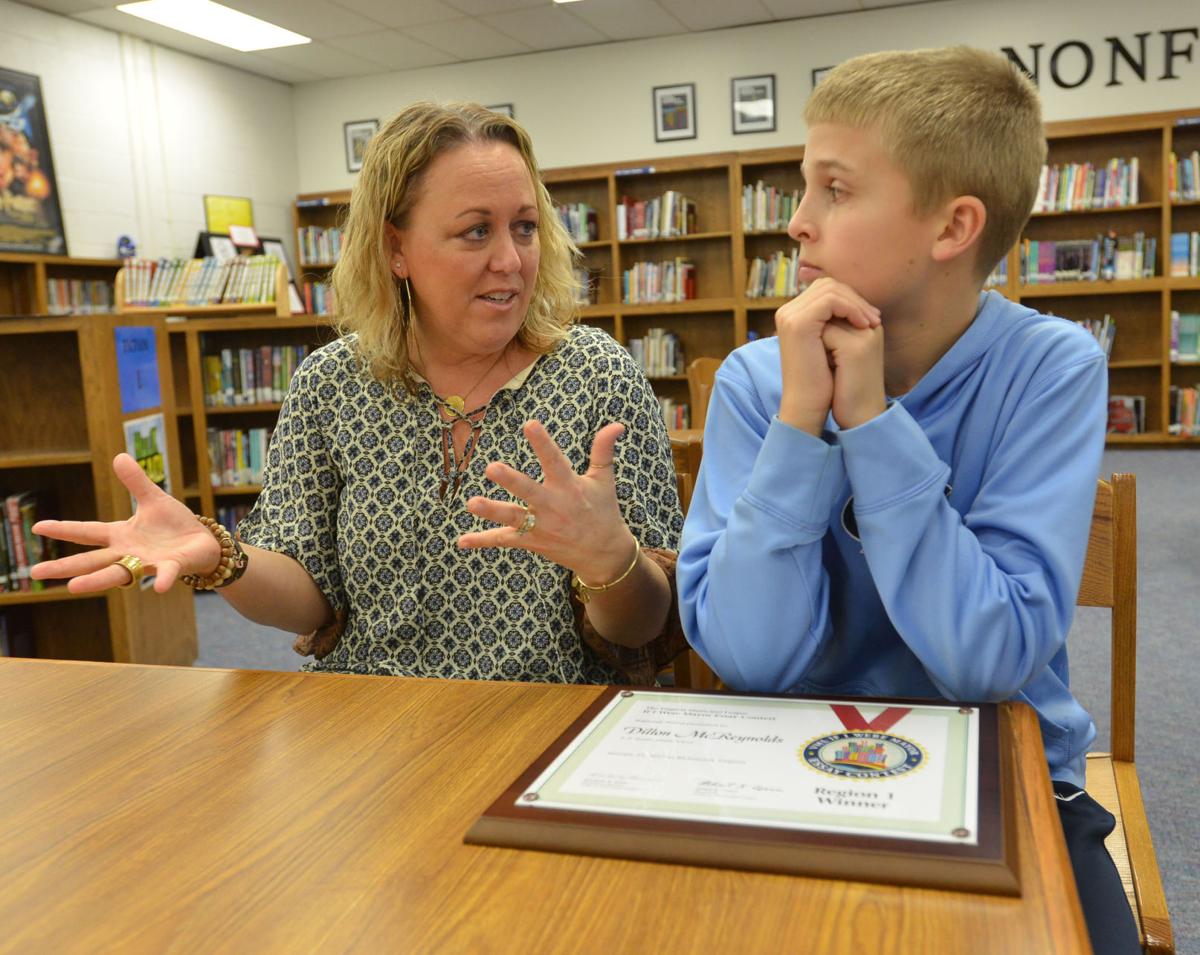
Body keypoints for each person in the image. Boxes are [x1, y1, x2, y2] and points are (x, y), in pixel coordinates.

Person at [676, 47, 1139, 953]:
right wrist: (800, 422)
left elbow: (988, 659)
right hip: (788, 766)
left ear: (953, 226)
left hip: (1008, 776)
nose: (796, 222)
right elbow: (751, 657)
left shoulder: (1051, 368)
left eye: (835, 189)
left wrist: (871, 421)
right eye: (803, 187)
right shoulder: (756, 382)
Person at [32, 102, 684, 686]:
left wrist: (610, 561)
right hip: (369, 725)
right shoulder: (331, 384)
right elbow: (308, 597)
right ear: (396, 248)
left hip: (553, 727)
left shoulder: (597, 376)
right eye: (476, 231)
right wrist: (224, 559)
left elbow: (646, 627)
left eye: (525, 227)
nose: (511, 261)